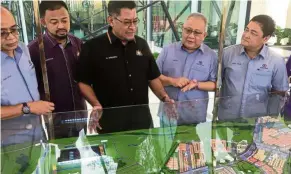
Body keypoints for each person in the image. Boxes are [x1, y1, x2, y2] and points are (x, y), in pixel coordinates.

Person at [77, 0, 171, 133]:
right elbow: (83, 82)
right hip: (110, 124)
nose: (132, 27)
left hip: (142, 122)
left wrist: (165, 98)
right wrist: (96, 104)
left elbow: (152, 77)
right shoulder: (92, 48)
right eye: (127, 22)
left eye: (135, 21)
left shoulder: (142, 45)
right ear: (111, 20)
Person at [1, 6, 54, 173]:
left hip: (38, 138)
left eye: (14, 29)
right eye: (2, 32)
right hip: (9, 148)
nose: (11, 37)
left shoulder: (23, 49)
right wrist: (28, 108)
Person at [28, 1, 86, 137]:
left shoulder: (77, 43)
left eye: (65, 20)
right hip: (56, 119)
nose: (61, 26)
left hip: (81, 113)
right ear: (43, 22)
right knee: (61, 153)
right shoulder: (35, 50)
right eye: (54, 22)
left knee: (84, 150)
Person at [219, 15, 288, 120]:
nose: (246, 35)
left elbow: (279, 94)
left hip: (257, 122)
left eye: (253, 33)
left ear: (266, 38)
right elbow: (217, 82)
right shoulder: (227, 54)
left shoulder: (276, 61)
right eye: (246, 30)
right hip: (227, 119)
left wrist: (270, 119)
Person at [156, 13, 217, 124]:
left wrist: (198, 85)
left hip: (194, 117)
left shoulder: (211, 56)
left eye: (197, 32)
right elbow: (153, 78)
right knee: (164, 142)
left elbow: (216, 84)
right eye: (188, 30)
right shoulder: (167, 50)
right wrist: (172, 81)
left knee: (193, 142)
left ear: (204, 35)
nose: (191, 36)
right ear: (182, 30)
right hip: (168, 115)